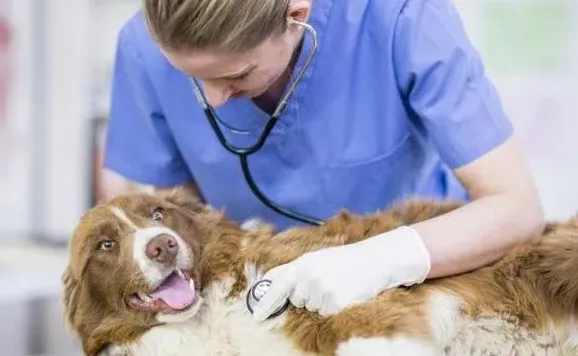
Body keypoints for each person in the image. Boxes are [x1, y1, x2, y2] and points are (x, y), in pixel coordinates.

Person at [104, 0, 545, 321]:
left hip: (419, 282)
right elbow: (157, 206)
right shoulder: (145, 43)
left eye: (236, 75)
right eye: (191, 78)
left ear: (297, 16)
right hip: (258, 295)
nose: (215, 102)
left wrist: (377, 261)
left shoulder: (403, 18)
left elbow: (516, 208)